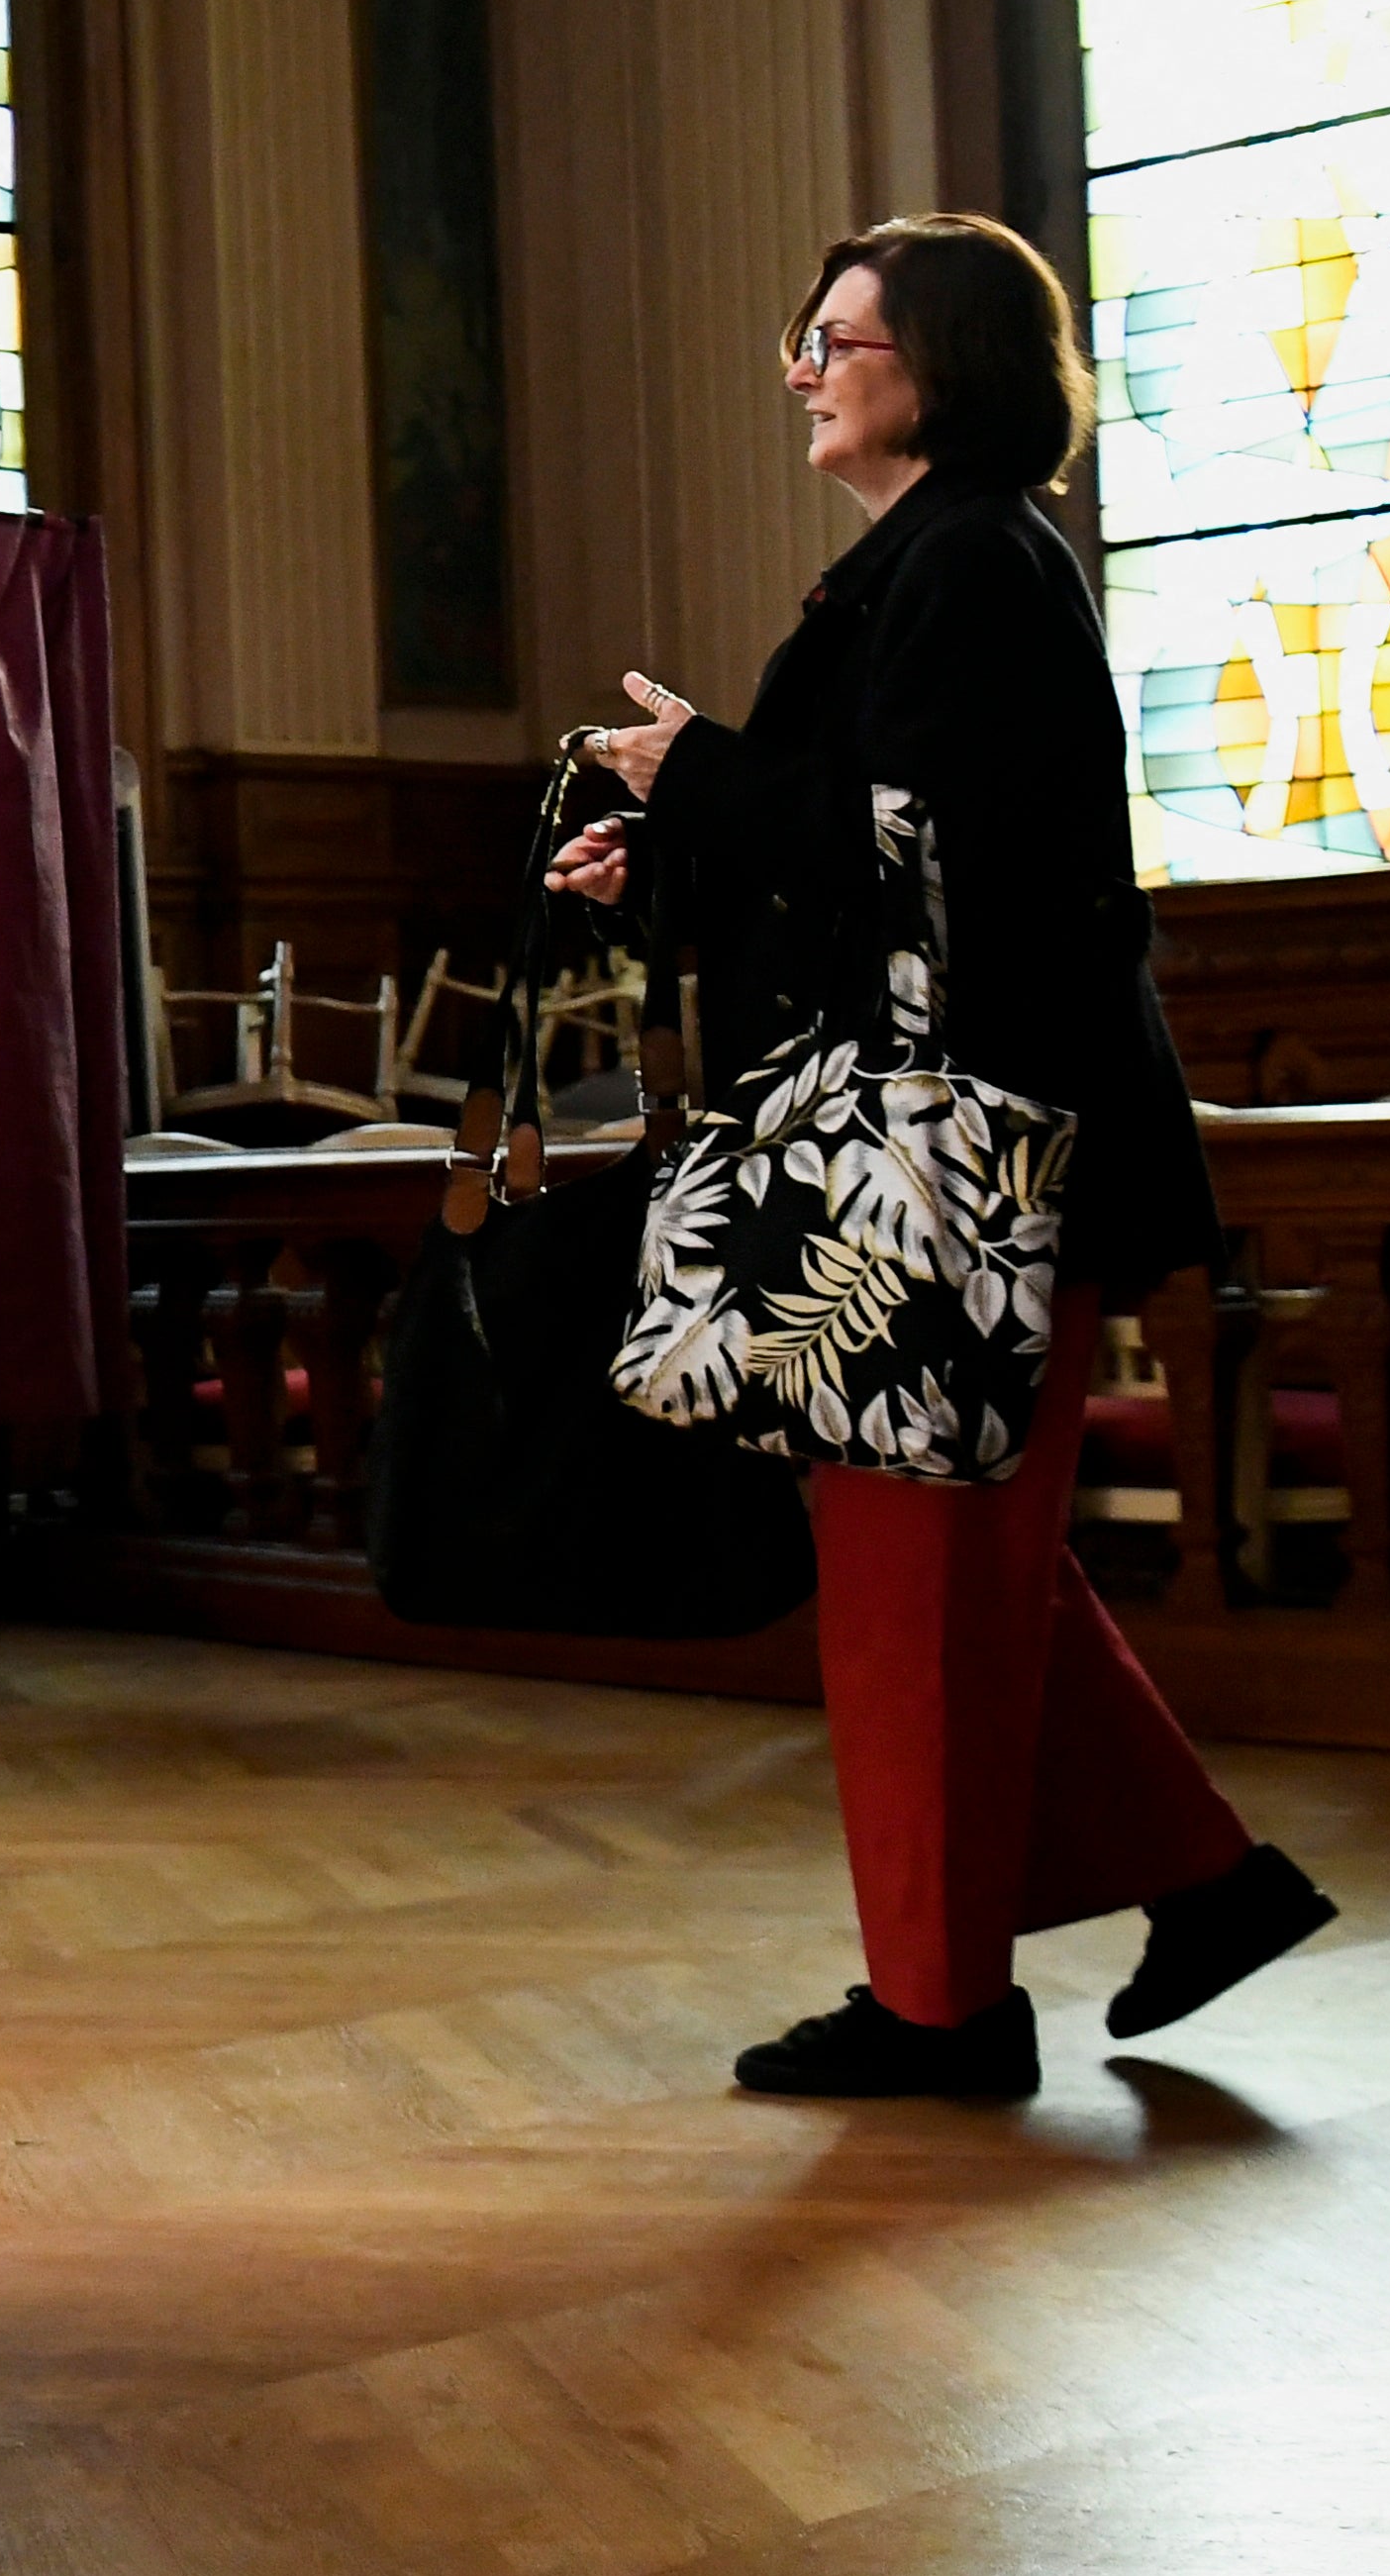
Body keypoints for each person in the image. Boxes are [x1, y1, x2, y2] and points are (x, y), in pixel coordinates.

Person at [549, 213, 1340, 2100]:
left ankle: (940, 2012)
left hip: (977, 1170)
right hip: (948, 1162)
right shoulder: (931, 567)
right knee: (956, 1562)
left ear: (948, 370)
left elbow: (915, 853)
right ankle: (1206, 1884)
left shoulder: (974, 561)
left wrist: (701, 786)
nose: (803, 368)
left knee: (924, 1592)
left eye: (841, 339)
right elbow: (873, 861)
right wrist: (666, 855)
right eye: (804, 335)